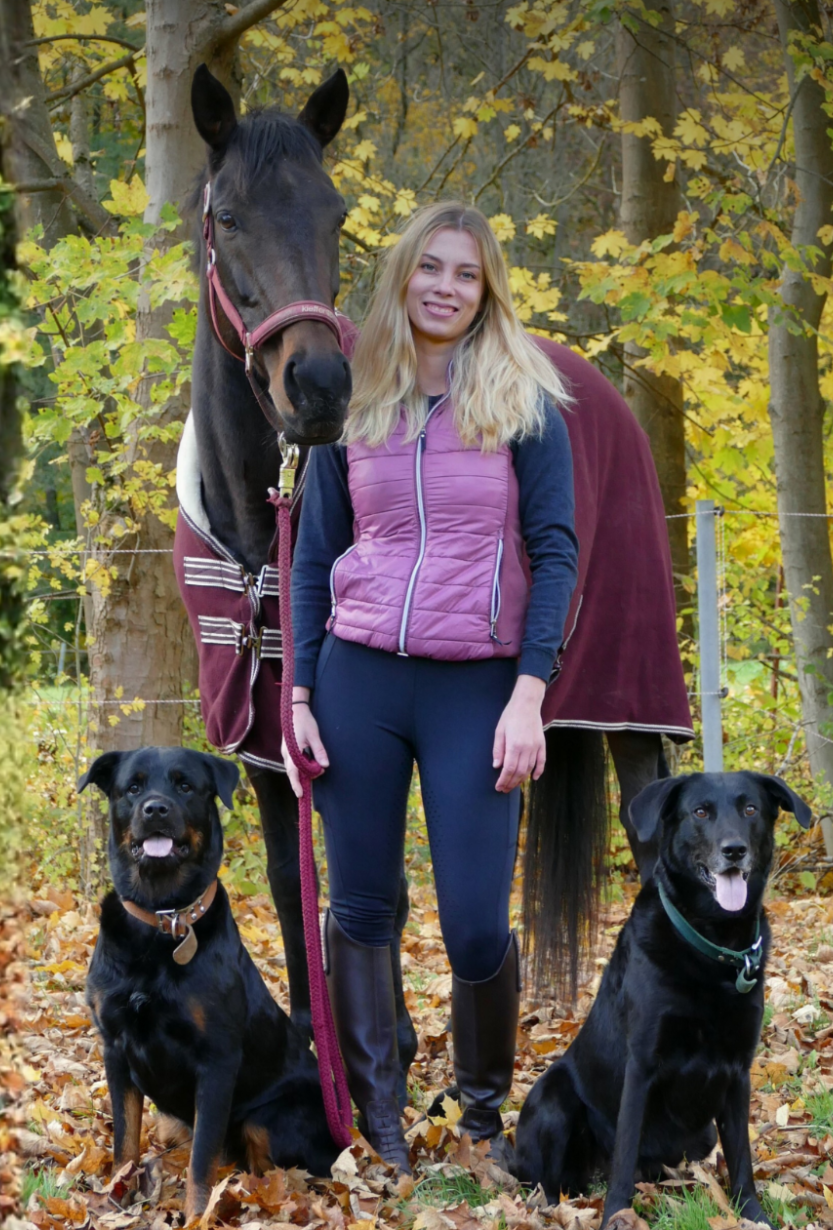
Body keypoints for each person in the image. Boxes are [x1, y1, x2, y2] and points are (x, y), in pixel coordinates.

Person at [285, 201, 578, 1166]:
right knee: (361, 907)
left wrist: (530, 694)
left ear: (486, 289)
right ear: (403, 277)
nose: (446, 288)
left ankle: (482, 1118)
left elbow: (556, 552)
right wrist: (298, 695)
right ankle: (379, 1125)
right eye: (431, 269)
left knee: (474, 919)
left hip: (477, 688)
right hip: (358, 680)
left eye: (467, 274)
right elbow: (314, 553)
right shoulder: (354, 396)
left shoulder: (524, 402)